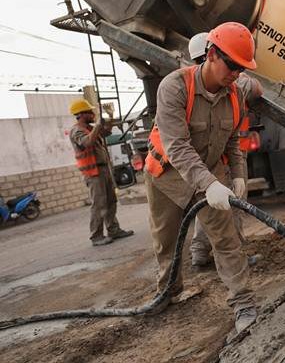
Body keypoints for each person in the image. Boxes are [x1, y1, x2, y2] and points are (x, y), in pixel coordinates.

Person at [144, 22, 263, 333]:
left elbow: (234, 141)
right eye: (232, 65)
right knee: (166, 241)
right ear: (211, 54)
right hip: (166, 173)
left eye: (242, 68)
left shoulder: (235, 94)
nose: (236, 73)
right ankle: (168, 291)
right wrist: (209, 184)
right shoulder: (174, 87)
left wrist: (237, 177)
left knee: (226, 239)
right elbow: (177, 146)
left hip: (209, 168)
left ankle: (243, 303)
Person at [186, 32, 259, 269]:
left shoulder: (190, 84)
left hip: (205, 161)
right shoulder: (238, 83)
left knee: (207, 205)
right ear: (212, 54)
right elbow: (257, 89)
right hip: (230, 159)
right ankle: (235, 257)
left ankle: (199, 253)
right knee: (233, 208)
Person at [68, 98, 134, 246]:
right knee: (99, 204)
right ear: (81, 114)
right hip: (93, 172)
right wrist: (98, 124)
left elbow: (105, 133)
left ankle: (113, 230)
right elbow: (87, 142)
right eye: (90, 112)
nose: (93, 113)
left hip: (103, 169)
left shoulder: (90, 128)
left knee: (111, 200)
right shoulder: (76, 130)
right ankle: (96, 236)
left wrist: (109, 118)